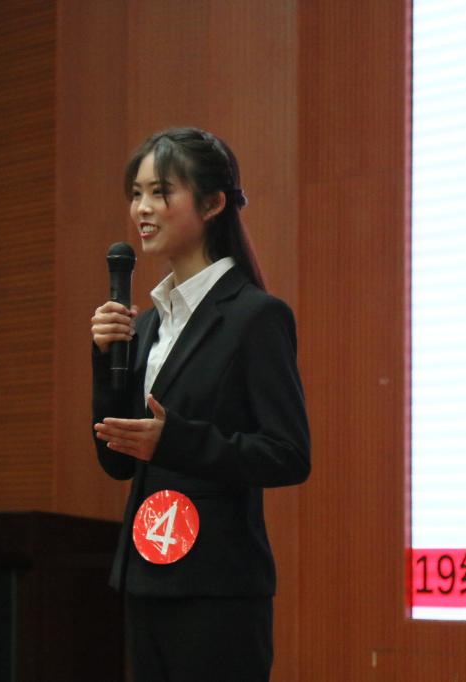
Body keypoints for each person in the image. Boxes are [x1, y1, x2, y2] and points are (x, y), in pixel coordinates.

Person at [91, 127, 311, 682]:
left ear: (212, 204)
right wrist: (105, 357)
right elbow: (117, 463)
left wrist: (176, 440)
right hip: (146, 574)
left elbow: (287, 454)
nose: (142, 209)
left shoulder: (255, 316)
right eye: (136, 193)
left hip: (219, 585)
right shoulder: (146, 325)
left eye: (161, 192)